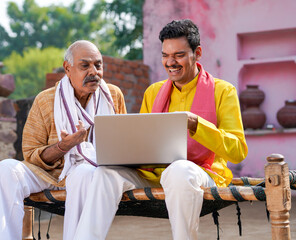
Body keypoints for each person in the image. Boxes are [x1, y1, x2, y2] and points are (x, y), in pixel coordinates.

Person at [70, 19, 248, 240]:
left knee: (179, 170)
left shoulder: (223, 91)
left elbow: (238, 150)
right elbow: (144, 145)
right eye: (165, 55)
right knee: (106, 173)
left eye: (179, 55)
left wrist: (196, 125)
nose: (170, 62)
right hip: (154, 174)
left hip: (203, 173)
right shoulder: (153, 92)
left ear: (198, 53)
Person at [0, 40, 127, 240]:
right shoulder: (45, 100)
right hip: (47, 173)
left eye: (98, 65)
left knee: (83, 172)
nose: (94, 72)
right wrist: (64, 146)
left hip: (88, 173)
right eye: (85, 65)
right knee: (6, 168)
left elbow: (123, 144)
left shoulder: (112, 96)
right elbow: (31, 154)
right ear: (67, 68)